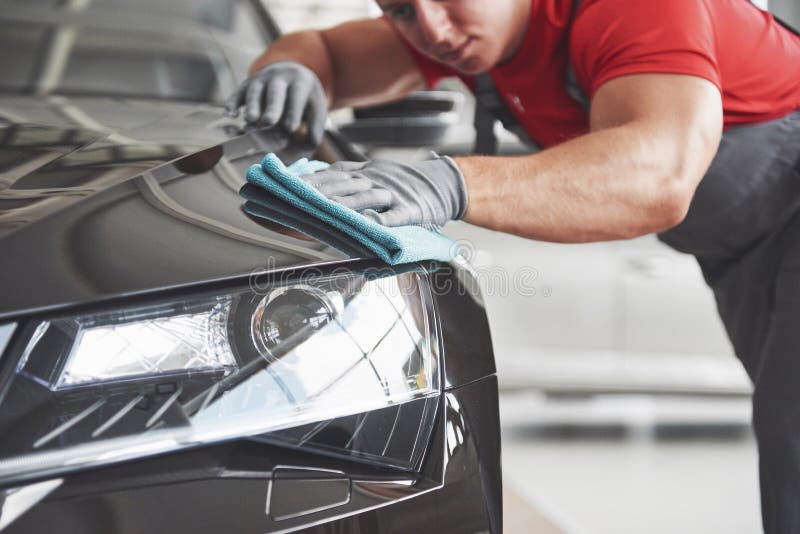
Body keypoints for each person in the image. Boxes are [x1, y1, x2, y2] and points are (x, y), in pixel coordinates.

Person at [226, 1, 800, 530]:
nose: (433, 30)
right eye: (401, 9)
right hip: (744, 251)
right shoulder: (467, 33)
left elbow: (660, 176)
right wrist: (289, 70)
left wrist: (452, 181)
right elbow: (324, 51)